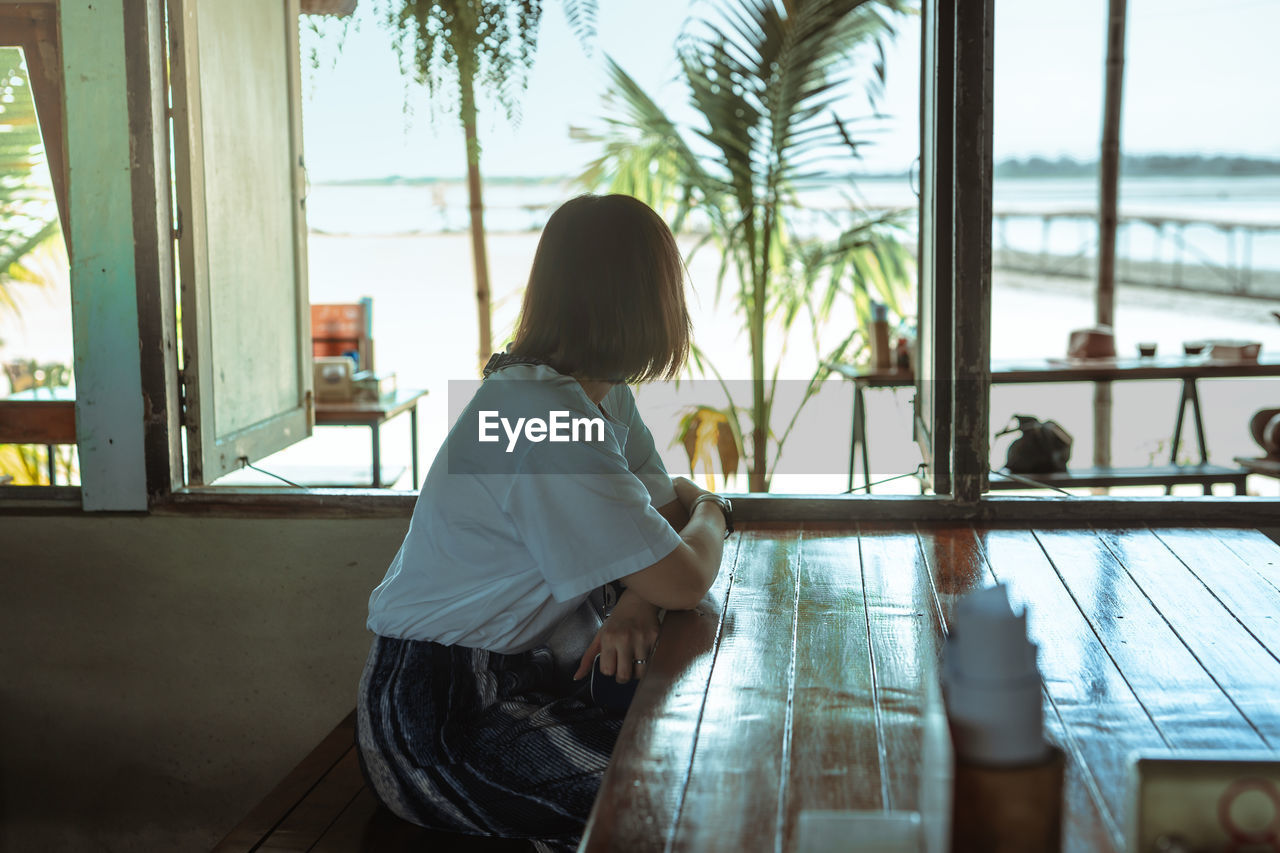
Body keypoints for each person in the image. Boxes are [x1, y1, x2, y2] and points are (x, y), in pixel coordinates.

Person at [356, 194, 732, 853]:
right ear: (644, 298)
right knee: (681, 788)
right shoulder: (543, 419)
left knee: (700, 755)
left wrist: (637, 599)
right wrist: (715, 511)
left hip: (520, 676)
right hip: (440, 720)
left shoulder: (593, 393)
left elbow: (657, 522)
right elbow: (685, 563)